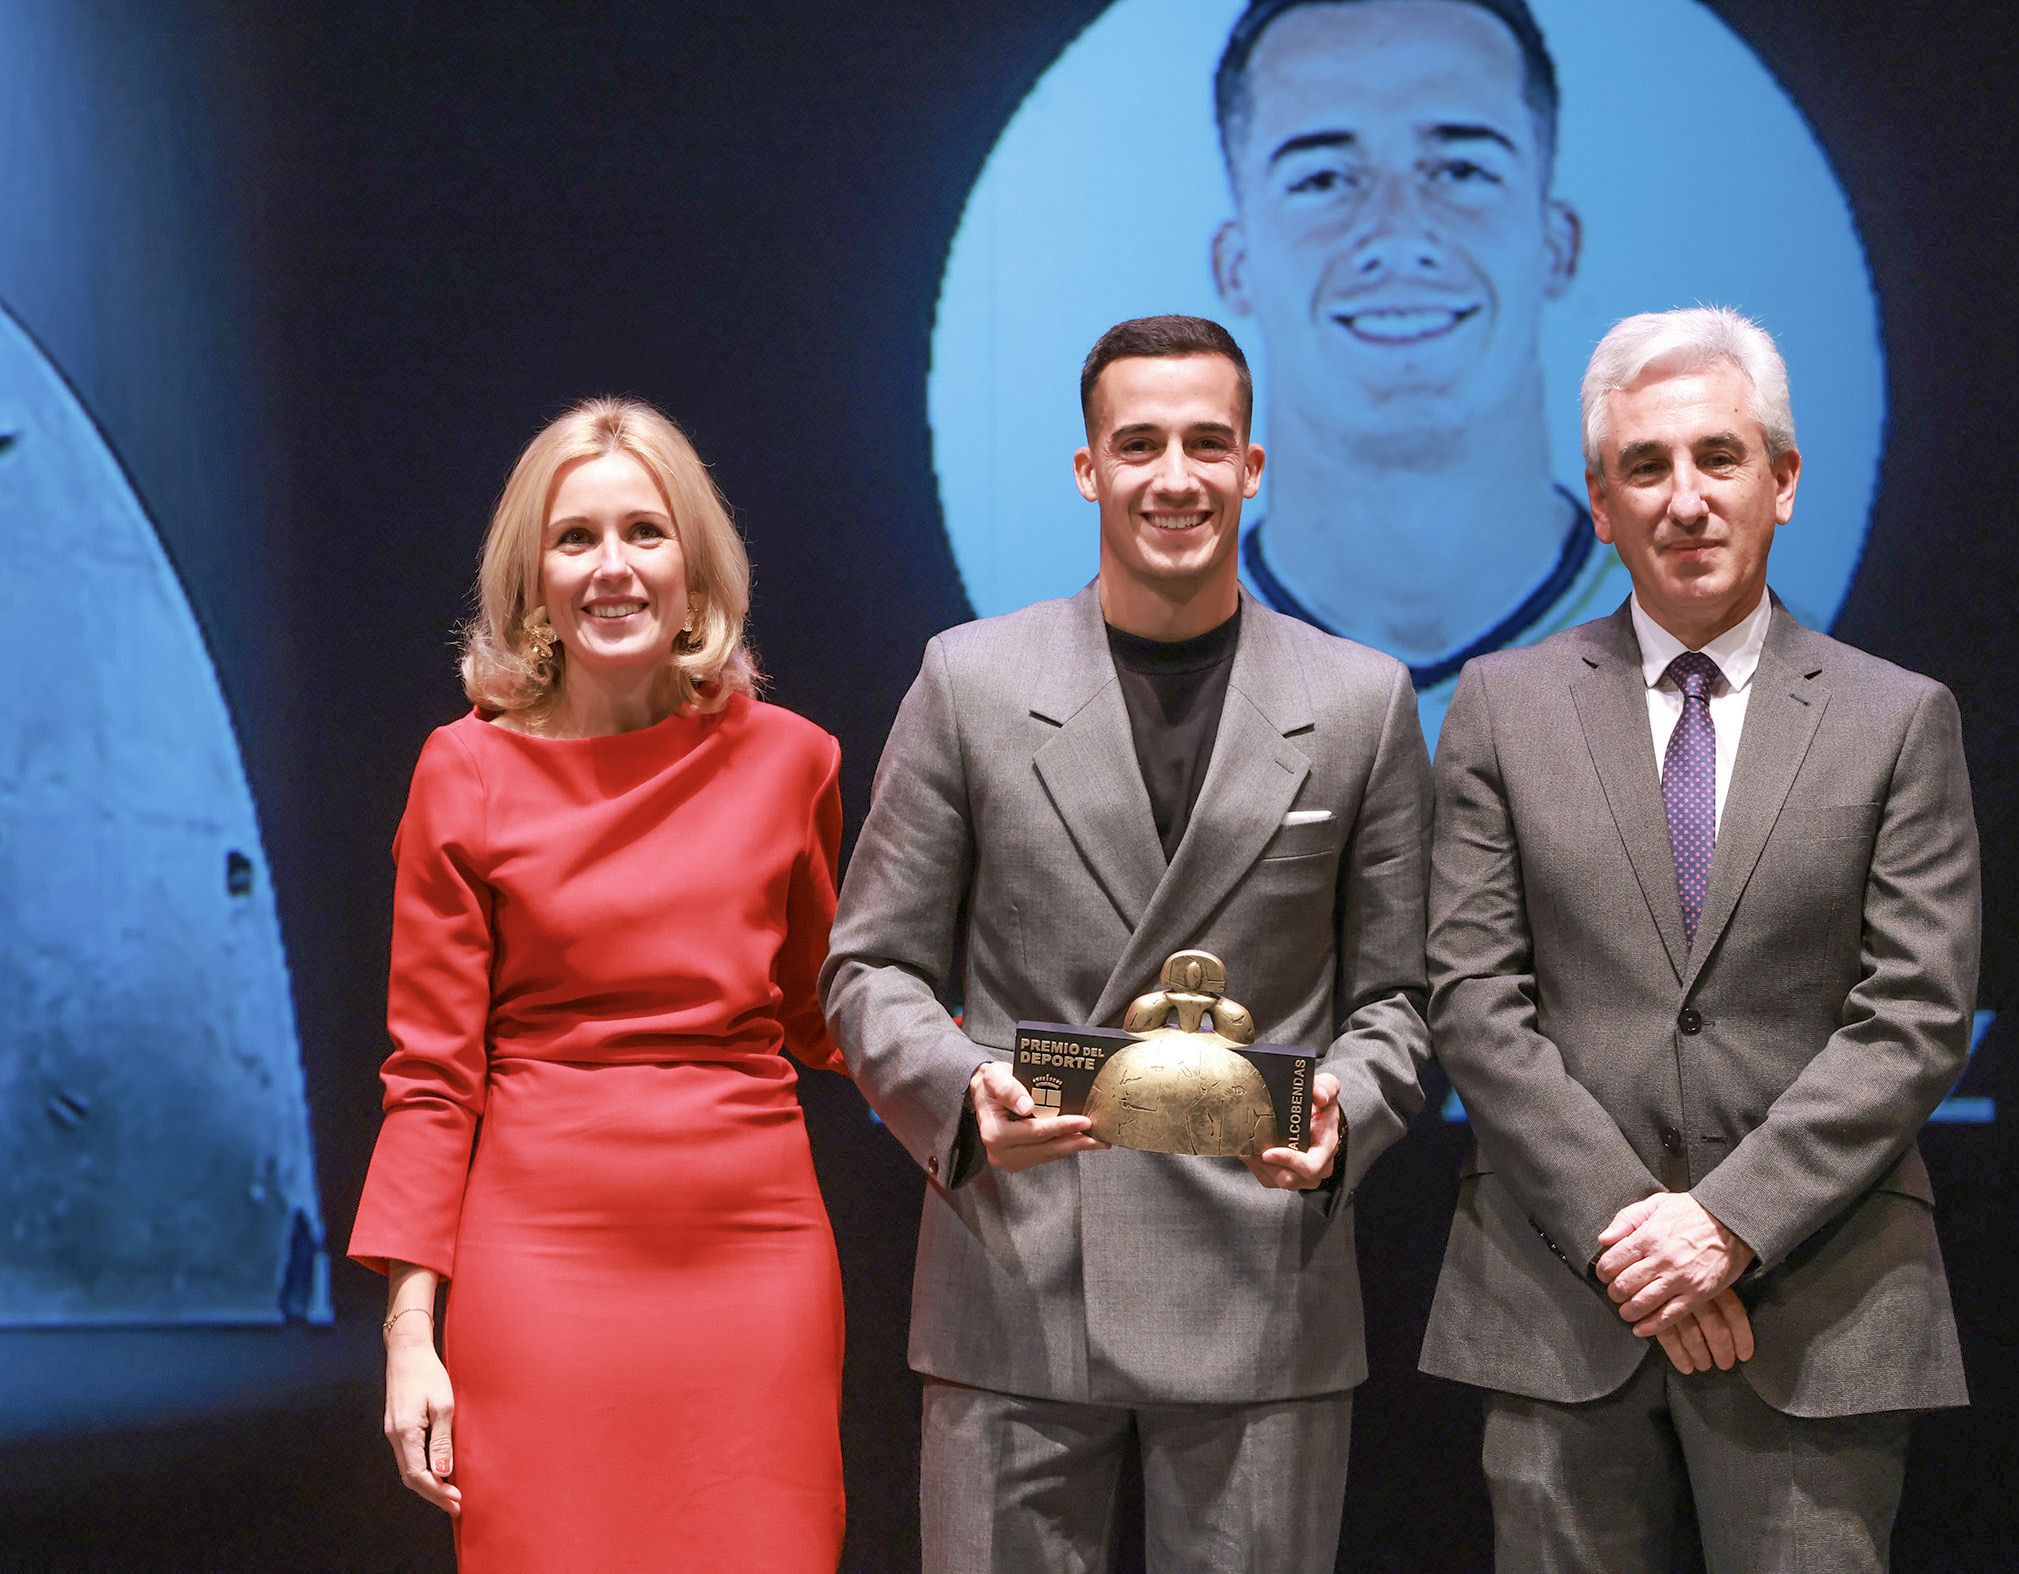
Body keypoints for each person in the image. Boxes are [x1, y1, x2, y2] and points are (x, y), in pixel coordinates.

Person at [824, 315, 1431, 1571]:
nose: (1175, 476)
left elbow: (1400, 1001)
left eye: (1206, 444)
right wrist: (959, 1092)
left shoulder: (1360, 700)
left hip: (1262, 1276)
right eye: (1139, 443)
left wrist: (1342, 1116)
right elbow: (867, 964)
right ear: (1088, 468)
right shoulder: (971, 681)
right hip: (1020, 1270)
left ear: (1252, 467)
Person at [1420, 307, 1978, 1568]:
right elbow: (1470, 997)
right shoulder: (1502, 709)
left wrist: (1724, 1223)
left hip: (1816, 1305)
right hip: (1564, 1294)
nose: (1685, 498)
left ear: (1781, 481)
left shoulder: (1899, 720)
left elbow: (1917, 1016)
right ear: (1601, 506)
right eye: (1645, 467)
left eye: (1718, 459)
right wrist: (1642, 1231)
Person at [348, 398, 848, 1569]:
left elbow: (839, 1012)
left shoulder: (793, 759)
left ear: (696, 568)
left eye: (645, 532)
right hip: (542, 1272)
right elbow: (430, 1076)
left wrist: (1035, 1073)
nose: (612, 567)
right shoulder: (462, 771)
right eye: (576, 538)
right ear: (533, 577)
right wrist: (410, 1332)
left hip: (754, 1269)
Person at [1211, 0, 1608, 741]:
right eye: (1324, 179)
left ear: (1556, 245)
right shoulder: (1104, 707)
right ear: (1237, 266)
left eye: (1460, 169)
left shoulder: (1763, 701)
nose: (1398, 234)